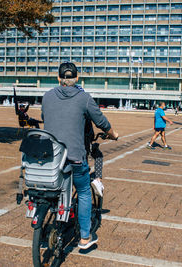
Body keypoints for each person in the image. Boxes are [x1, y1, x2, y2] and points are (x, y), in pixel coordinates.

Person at [42, 62, 118, 249]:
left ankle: (44, 232)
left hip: (51, 158)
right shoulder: (84, 98)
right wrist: (113, 134)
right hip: (74, 157)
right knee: (83, 191)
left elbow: (45, 117)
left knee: (51, 190)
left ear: (58, 78)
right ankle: (85, 237)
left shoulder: (47, 96)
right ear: (77, 78)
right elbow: (102, 122)